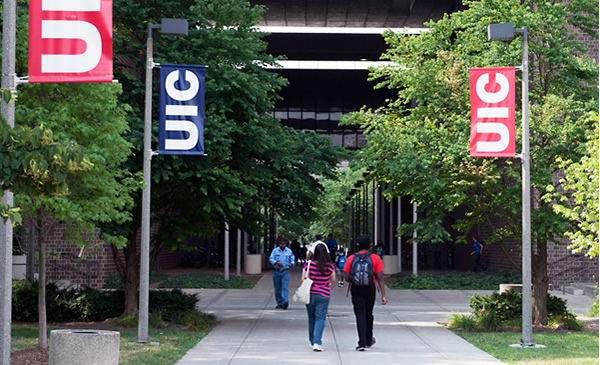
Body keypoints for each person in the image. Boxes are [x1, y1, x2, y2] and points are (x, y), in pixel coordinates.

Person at [344, 234, 387, 351]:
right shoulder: (375, 258)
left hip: (356, 289)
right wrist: (383, 295)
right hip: (370, 288)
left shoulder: (351, 258)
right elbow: (380, 277)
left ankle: (361, 342)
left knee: (360, 314)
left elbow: (347, 277)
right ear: (369, 245)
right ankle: (369, 339)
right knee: (369, 313)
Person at [301, 242, 336, 351]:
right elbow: (334, 280)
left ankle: (312, 340)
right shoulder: (329, 265)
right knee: (320, 318)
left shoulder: (309, 264)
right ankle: (317, 342)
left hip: (310, 294)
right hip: (324, 294)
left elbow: (303, 279)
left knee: (311, 318)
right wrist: (330, 285)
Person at [269, 237, 295, 309]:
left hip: (285, 271)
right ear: (279, 244)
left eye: (284, 244)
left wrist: (291, 264)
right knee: (277, 288)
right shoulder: (275, 251)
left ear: (286, 244)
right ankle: (279, 303)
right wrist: (276, 263)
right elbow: (271, 259)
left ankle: (285, 302)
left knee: (284, 287)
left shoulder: (289, 251)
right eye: (281, 244)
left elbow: (292, 260)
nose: (282, 245)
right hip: (277, 271)